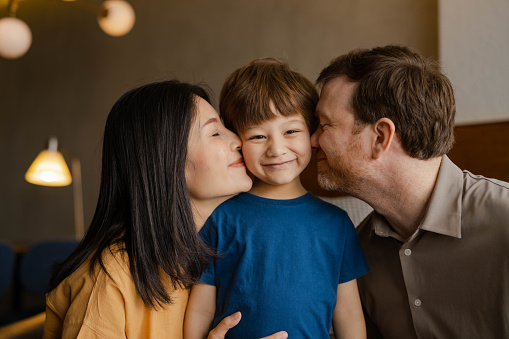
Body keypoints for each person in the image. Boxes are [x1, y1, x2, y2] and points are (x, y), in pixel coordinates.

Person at [43, 80, 287, 339]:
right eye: (215, 133)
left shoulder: (210, 256)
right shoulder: (109, 280)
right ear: (167, 160)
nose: (238, 140)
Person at [311, 45, 509, 338]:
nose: (313, 141)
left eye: (325, 125)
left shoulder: (504, 223)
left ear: (380, 137)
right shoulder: (357, 253)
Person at [184, 58, 369, 339]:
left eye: (291, 131)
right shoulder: (221, 218)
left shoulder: (337, 224)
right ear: (237, 141)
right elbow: (200, 309)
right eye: (258, 136)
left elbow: (349, 313)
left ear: (312, 133)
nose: (276, 149)